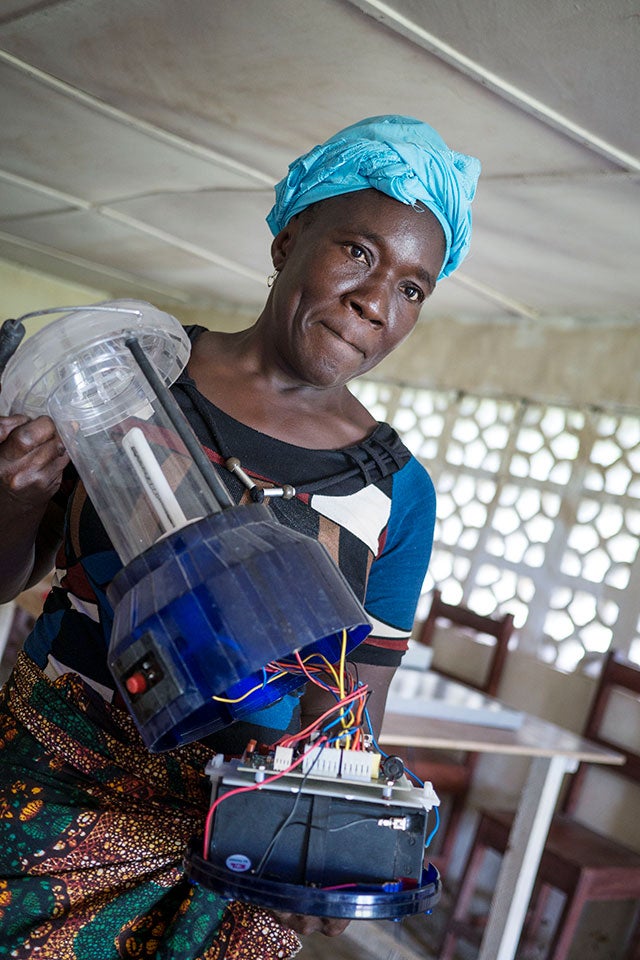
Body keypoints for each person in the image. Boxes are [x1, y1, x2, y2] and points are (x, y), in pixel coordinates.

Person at [0, 115, 480, 959]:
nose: (377, 300)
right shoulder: (124, 376)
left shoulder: (395, 491)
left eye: (414, 288)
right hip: (43, 806)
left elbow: (352, 711)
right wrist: (12, 497)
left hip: (238, 859)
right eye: (359, 252)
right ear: (289, 237)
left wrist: (332, 842)